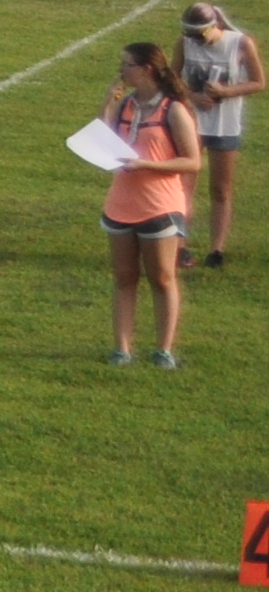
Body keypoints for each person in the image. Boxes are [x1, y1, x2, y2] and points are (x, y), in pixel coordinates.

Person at [99, 41, 204, 367]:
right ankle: (122, 348)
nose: (122, 70)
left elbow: (192, 162)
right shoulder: (127, 104)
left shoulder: (173, 109)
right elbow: (105, 141)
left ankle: (163, 349)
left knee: (161, 278)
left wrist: (148, 166)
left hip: (159, 206)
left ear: (146, 69)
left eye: (127, 64)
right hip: (121, 203)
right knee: (124, 277)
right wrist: (107, 104)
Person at [178, 0, 257, 268]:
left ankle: (216, 250)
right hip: (190, 124)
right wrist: (193, 96)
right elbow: (173, 78)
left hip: (225, 124)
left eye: (199, 34)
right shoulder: (185, 43)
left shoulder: (240, 43)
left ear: (215, 26)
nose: (194, 40)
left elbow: (259, 82)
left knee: (221, 189)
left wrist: (226, 92)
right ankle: (180, 246)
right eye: (190, 34)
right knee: (183, 187)